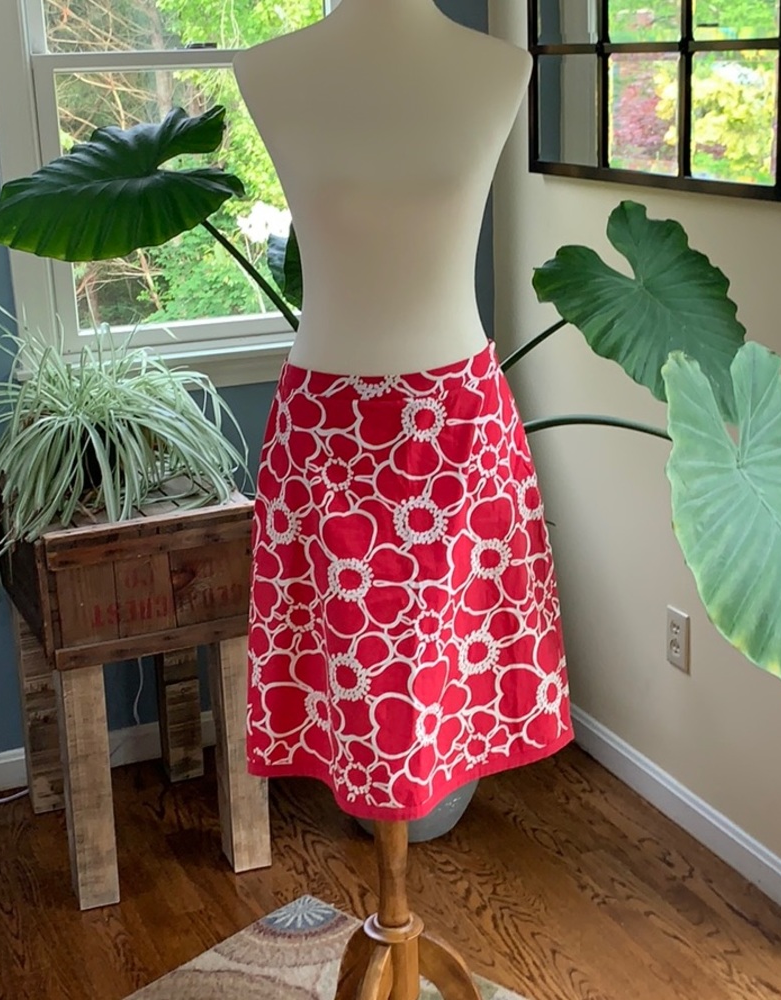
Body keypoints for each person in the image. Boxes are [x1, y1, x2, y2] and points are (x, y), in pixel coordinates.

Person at [235, 0, 573, 824]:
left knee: (443, 679)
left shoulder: (499, 67)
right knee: (352, 685)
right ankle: (390, 920)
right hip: (325, 437)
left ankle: (400, 921)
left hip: (458, 429)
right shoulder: (273, 70)